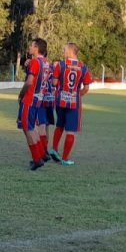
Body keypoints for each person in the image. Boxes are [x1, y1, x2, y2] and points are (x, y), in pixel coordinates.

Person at [51, 43, 93, 166]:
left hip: (61, 100)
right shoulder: (83, 67)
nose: (63, 52)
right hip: (74, 102)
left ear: (70, 51)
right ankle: (64, 159)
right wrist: (77, 95)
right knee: (71, 131)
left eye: (65, 50)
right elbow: (86, 88)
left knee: (60, 125)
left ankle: (54, 149)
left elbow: (54, 83)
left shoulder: (60, 65)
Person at [19, 38, 51, 170]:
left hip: (29, 99)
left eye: (32, 46)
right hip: (38, 99)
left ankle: (37, 159)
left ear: (36, 48)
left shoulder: (36, 62)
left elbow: (29, 82)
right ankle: (41, 155)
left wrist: (21, 95)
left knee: (28, 128)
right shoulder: (46, 63)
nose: (30, 48)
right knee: (31, 127)